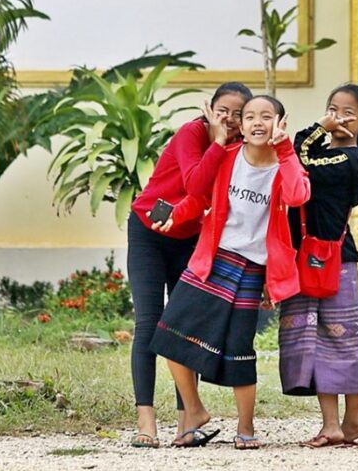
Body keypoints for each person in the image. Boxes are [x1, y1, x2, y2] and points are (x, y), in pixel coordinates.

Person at [150, 95, 311, 450]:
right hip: (213, 258)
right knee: (168, 335)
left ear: (280, 123)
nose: (256, 122)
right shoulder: (226, 157)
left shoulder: (285, 165)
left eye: (266, 117)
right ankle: (195, 410)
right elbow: (199, 194)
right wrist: (177, 213)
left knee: (240, 350)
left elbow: (299, 195)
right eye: (250, 116)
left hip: (253, 267)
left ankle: (246, 428)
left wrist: (286, 151)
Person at [126, 82, 252, 448]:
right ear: (209, 109)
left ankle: (187, 422)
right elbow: (195, 184)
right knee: (149, 323)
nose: (229, 119)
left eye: (238, 113)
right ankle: (146, 422)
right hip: (150, 232)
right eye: (223, 110)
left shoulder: (239, 149)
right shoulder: (191, 133)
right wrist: (215, 140)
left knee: (185, 324)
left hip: (190, 238)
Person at [278, 83, 358, 448]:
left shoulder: (347, 161)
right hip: (307, 259)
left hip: (333, 262)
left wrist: (319, 127)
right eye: (333, 108)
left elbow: (296, 154)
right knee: (317, 344)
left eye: (348, 112)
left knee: (342, 343)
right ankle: (338, 425)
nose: (339, 117)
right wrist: (325, 129)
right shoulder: (329, 155)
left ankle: (351, 422)